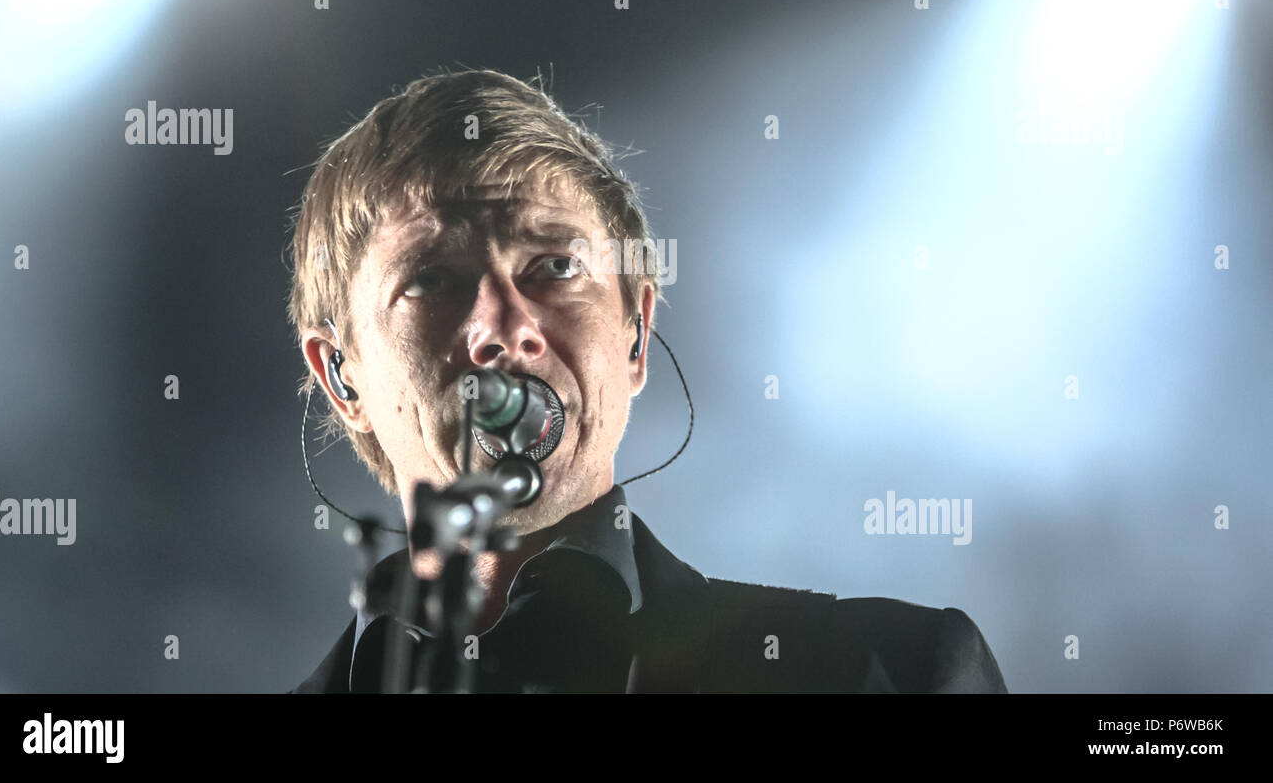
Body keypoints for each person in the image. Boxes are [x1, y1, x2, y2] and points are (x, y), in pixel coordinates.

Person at [285, 67, 1007, 693]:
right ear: (341, 377)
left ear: (635, 334)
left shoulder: (891, 674)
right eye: (433, 280)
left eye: (557, 267)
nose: (504, 326)